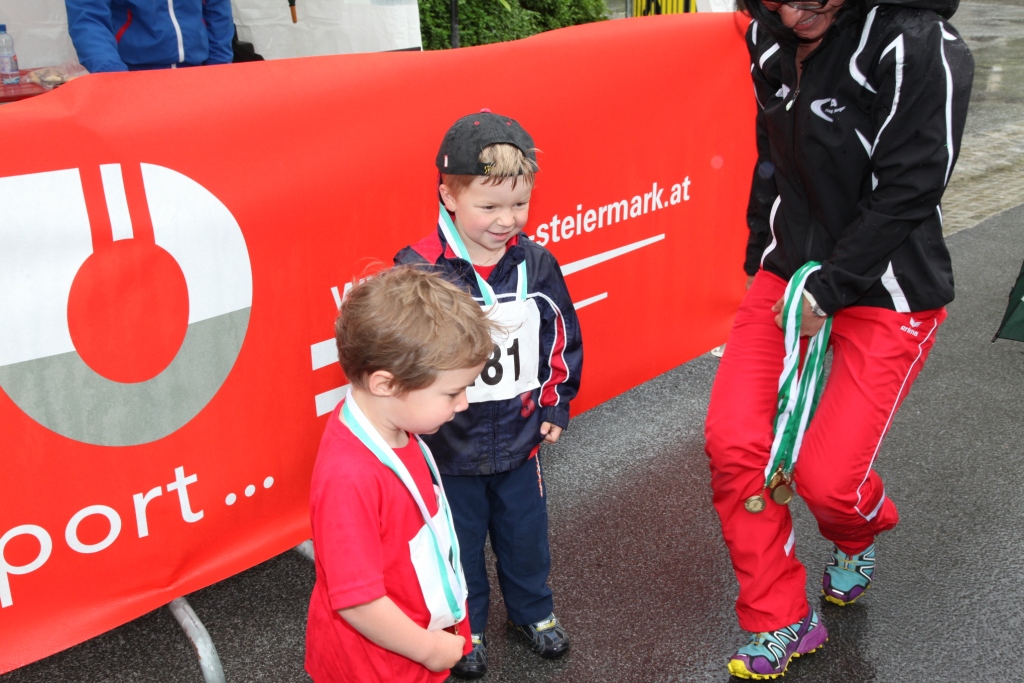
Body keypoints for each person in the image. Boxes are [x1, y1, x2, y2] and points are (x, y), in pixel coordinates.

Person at [704, 0, 973, 677]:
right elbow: (773, 162)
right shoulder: (768, 38)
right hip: (788, 277)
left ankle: (861, 525)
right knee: (735, 445)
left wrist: (831, 288)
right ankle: (780, 618)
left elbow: (912, 187)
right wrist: (761, 261)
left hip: (886, 288)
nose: (795, 12)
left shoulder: (917, 42)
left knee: (827, 483)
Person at [394, 111, 583, 678]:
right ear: (449, 196)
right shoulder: (420, 269)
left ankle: (533, 613)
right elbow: (401, 358)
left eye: (519, 204)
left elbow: (561, 335)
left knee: (526, 536)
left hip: (521, 439)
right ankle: (465, 628)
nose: (507, 220)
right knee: (458, 543)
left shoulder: (536, 264)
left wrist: (556, 401)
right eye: (490, 206)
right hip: (448, 447)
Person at [305, 266, 497, 682]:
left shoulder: (394, 426)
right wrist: (429, 649)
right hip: (378, 665)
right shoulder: (349, 476)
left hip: (412, 636)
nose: (464, 403)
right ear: (385, 384)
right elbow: (358, 604)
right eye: (452, 392)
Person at [64, 0, 233, 73]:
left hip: (198, 73)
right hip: (133, 75)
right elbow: (89, 18)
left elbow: (217, 9)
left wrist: (219, 64)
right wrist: (112, 72)